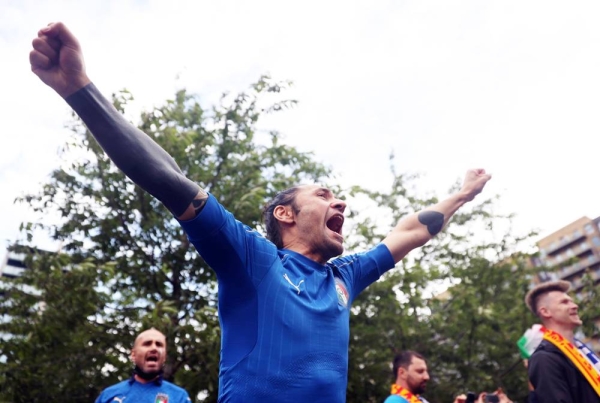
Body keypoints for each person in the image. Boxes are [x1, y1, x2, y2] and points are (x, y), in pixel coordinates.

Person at [30, 22, 491, 403]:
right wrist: (79, 90)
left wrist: (461, 196)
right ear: (285, 215)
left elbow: (410, 230)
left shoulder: (344, 277)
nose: (341, 203)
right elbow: (167, 178)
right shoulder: (253, 259)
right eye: (324, 194)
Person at [524, 280, 600, 403]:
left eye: (571, 301)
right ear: (545, 312)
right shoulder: (544, 358)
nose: (575, 306)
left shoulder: (581, 350)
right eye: (564, 302)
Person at [95, 328, 191, 403]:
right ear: (133, 355)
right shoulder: (109, 395)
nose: (154, 348)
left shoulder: (179, 396)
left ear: (164, 357)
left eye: (159, 344)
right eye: (147, 344)